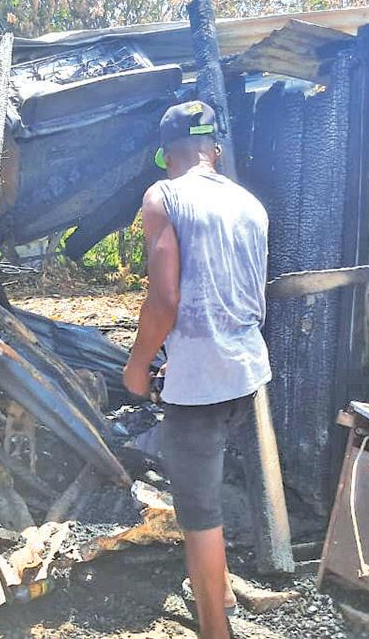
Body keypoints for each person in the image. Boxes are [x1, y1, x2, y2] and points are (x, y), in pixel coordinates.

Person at [123, 101, 271, 639]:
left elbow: (164, 300)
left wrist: (138, 365)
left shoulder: (164, 196)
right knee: (208, 478)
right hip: (248, 370)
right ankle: (222, 589)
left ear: (167, 155)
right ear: (215, 150)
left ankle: (215, 628)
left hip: (202, 382)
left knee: (198, 510)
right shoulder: (249, 204)